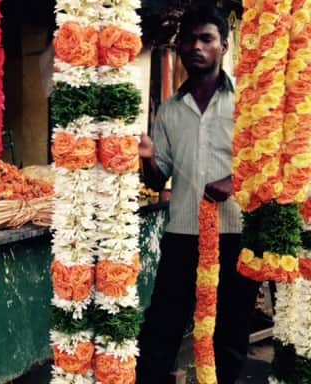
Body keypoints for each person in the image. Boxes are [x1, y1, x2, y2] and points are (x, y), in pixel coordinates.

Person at [137, 5, 260, 384]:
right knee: (161, 328)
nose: (196, 47)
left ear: (224, 45)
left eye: (206, 39)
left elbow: (269, 166)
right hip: (183, 235)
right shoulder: (169, 112)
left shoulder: (250, 103)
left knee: (231, 331)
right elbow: (158, 182)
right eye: (188, 40)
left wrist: (234, 181)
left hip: (235, 234)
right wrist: (147, 159)